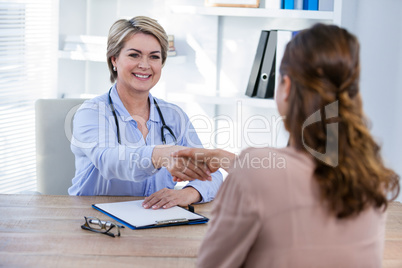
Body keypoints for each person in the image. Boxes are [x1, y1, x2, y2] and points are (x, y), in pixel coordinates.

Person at [174, 24, 400, 267]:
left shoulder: (255, 175)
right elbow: (298, 176)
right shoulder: (369, 175)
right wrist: (230, 161)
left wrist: (243, 169)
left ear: (287, 86)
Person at [68, 16, 223, 210]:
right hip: (96, 220)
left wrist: (187, 194)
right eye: (134, 55)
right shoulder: (91, 112)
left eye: (154, 57)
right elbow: (108, 160)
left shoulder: (174, 116)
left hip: (155, 220)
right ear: (114, 59)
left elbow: (212, 173)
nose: (145, 65)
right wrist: (159, 155)